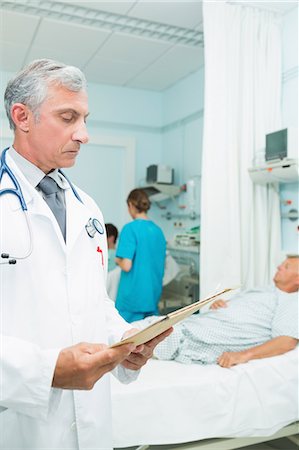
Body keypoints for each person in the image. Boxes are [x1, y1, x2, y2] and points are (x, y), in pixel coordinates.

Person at [0, 59, 172, 450]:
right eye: (68, 117)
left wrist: (126, 339)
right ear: (22, 116)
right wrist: (46, 371)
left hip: (91, 422)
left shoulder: (88, 209)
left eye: (85, 118)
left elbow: (93, 302)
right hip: (16, 423)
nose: (84, 134)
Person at [147, 256, 298, 368]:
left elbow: (286, 341)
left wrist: (243, 355)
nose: (279, 267)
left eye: (286, 266)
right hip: (198, 323)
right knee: (145, 328)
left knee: (149, 337)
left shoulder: (291, 301)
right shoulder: (264, 290)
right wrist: (223, 305)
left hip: (200, 337)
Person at [115, 188, 166, 322]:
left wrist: (117, 260)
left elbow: (126, 265)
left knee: (125, 340)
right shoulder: (158, 231)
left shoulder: (130, 229)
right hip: (152, 297)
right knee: (150, 340)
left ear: (131, 205)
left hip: (132, 300)